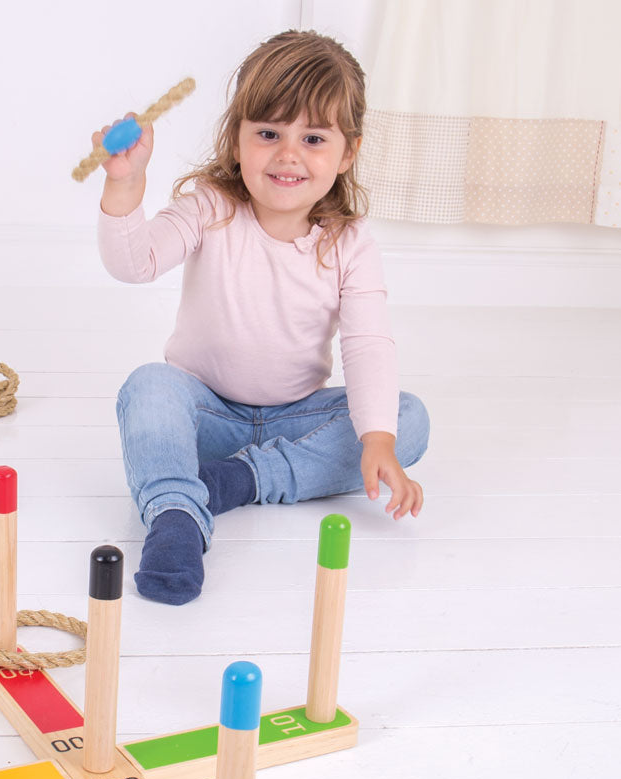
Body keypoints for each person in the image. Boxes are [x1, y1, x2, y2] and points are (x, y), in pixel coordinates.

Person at [94, 29, 429, 606]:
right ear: (238, 140)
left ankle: (241, 480)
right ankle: (176, 514)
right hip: (207, 413)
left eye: (314, 138)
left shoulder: (348, 242)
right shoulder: (211, 207)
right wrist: (125, 185)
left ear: (347, 152)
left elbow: (369, 343)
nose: (288, 154)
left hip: (295, 419)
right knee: (148, 387)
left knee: (407, 418)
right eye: (268, 133)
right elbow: (136, 263)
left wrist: (376, 440)